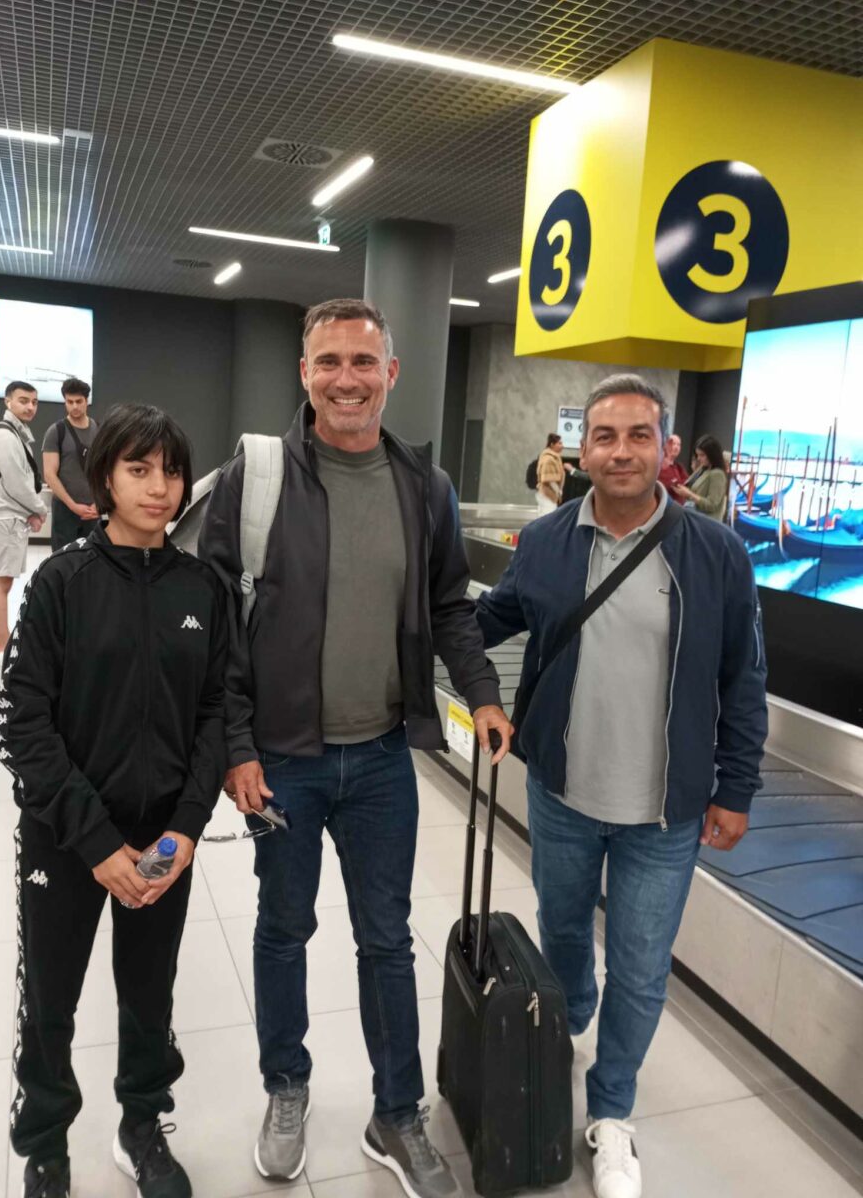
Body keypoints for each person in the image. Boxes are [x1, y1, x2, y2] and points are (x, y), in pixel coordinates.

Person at [198, 298, 512, 1198]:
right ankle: (286, 1088)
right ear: (305, 373)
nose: (346, 379)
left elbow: (449, 606)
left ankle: (397, 1112)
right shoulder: (256, 479)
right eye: (329, 362)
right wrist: (237, 746)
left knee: (386, 940)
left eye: (363, 362)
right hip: (282, 761)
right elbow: (218, 629)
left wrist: (482, 694)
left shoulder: (424, 486)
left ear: (391, 374)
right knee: (283, 930)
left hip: (381, 759)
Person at [475, 374, 767, 1198]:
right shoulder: (547, 542)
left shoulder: (716, 554)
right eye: (604, 436)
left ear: (666, 448)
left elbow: (744, 678)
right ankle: (565, 1023)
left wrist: (736, 788)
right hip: (563, 792)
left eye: (639, 435)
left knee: (639, 970)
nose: (621, 451)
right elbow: (490, 620)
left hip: (665, 811)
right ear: (583, 448)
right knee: (563, 935)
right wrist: (420, 631)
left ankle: (611, 1112)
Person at [0, 405, 227, 1198]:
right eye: (139, 469)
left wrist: (185, 829)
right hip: (65, 838)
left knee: (149, 994)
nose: (159, 488)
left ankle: (141, 1126)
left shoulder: (204, 588)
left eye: (172, 471)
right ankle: (46, 1145)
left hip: (162, 840)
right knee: (49, 999)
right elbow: (18, 724)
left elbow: (215, 714)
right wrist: (93, 841)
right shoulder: (62, 583)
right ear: (106, 478)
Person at [0, 382, 48, 662]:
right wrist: (40, 509)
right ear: (8, 402)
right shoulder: (5, 437)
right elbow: (17, 483)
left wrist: (30, 512)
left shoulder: (15, 435)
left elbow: (18, 482)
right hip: (5, 517)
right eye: (23, 400)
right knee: (1, 580)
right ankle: (1, 646)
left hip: (10, 515)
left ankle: (1, 638)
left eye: (34, 401)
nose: (30, 406)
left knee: (4, 580)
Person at [42, 377, 100, 550]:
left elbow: (105, 471)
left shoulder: (99, 429)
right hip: (65, 509)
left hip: (93, 510)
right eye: (70, 402)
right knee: (63, 558)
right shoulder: (56, 431)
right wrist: (72, 505)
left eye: (79, 401)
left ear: (86, 401)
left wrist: (99, 502)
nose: (74, 406)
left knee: (91, 558)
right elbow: (49, 474)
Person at [674, 434, 729, 519]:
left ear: (712, 454)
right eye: (698, 455)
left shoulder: (717, 474)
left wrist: (689, 494)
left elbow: (712, 505)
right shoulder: (703, 469)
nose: (698, 458)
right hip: (695, 517)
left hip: (705, 521)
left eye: (702, 455)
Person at [536, 432, 565, 514]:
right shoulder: (549, 459)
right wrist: (558, 491)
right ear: (552, 444)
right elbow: (549, 480)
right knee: (548, 516)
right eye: (559, 443)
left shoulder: (554, 458)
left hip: (549, 494)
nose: (562, 446)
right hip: (547, 494)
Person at [658, 432, 689, 502]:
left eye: (678, 444)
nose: (676, 447)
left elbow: (687, 483)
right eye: (673, 444)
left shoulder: (679, 467)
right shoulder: (659, 466)